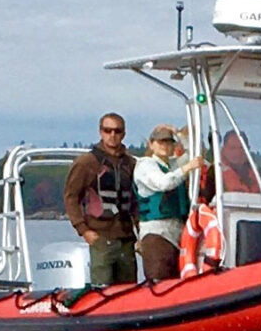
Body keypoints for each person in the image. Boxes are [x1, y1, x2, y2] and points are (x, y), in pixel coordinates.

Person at [63, 112, 137, 285]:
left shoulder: (131, 164)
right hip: (101, 238)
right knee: (102, 289)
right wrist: (84, 230)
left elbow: (136, 202)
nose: (112, 135)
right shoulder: (86, 162)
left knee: (128, 290)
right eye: (107, 130)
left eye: (117, 131)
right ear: (100, 132)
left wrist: (141, 234)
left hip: (127, 239)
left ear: (123, 134)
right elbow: (71, 197)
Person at [134, 124, 203, 280]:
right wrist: (187, 168)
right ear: (151, 144)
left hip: (177, 234)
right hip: (156, 234)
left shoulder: (172, 165)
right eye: (160, 142)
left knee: (175, 281)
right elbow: (163, 183)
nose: (165, 146)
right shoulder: (145, 165)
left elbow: (195, 156)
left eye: (169, 142)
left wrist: (179, 134)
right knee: (159, 280)